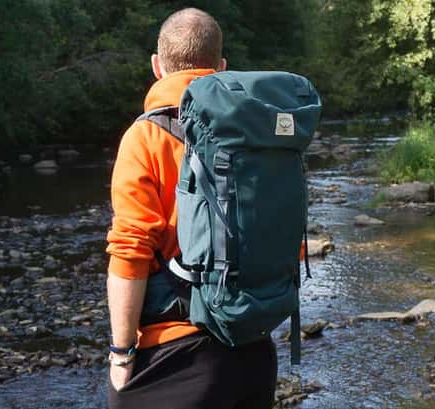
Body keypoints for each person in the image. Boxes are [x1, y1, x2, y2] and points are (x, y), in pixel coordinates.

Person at [105, 8, 278, 409]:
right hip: (251, 348)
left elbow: (130, 251)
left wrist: (121, 353)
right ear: (220, 68)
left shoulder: (146, 136)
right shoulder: (258, 135)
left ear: (156, 66)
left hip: (171, 353)